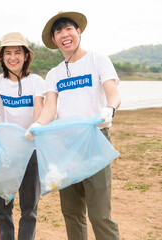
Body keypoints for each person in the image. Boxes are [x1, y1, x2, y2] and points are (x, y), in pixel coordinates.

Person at [25, 11, 120, 240]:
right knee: (71, 211)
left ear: (78, 32)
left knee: (99, 214)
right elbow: (50, 108)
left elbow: (113, 94)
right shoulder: (54, 73)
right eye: (58, 31)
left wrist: (109, 110)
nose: (64, 35)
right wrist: (37, 125)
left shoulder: (97, 59)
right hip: (65, 146)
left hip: (93, 140)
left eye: (68, 29)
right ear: (55, 40)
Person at [0, 32, 45, 240]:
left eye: (18, 52)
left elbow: (39, 107)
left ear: (26, 56)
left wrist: (35, 126)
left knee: (29, 208)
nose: (13, 57)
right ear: (2, 57)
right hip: (4, 152)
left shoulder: (36, 81)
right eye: (8, 53)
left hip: (30, 149)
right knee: (3, 208)